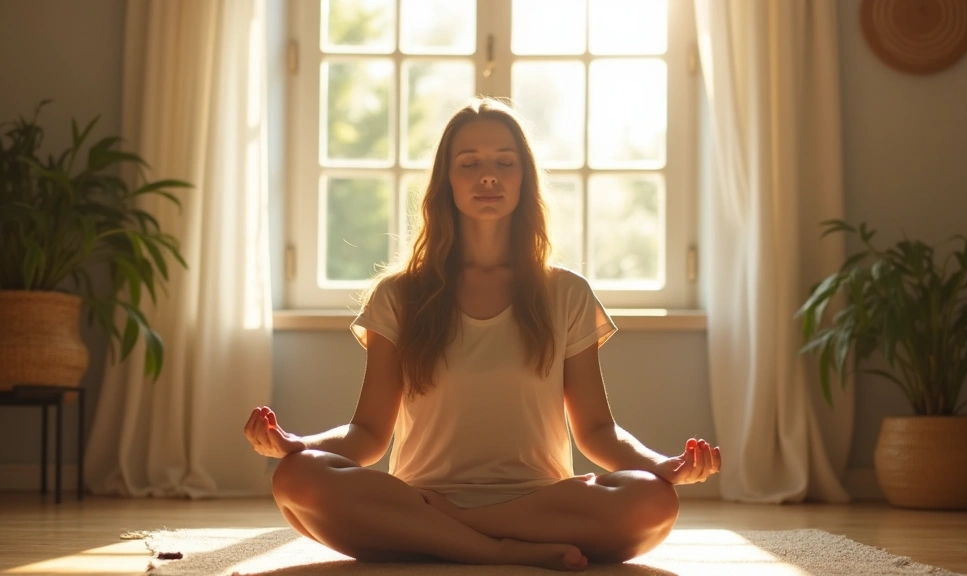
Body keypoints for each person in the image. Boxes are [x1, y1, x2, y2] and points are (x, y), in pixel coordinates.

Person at [243, 97, 722, 572]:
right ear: (446, 182)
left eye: (504, 163)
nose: (487, 176)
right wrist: (297, 445)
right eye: (469, 163)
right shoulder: (398, 295)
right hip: (420, 498)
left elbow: (597, 431)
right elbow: (367, 435)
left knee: (652, 502)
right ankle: (494, 550)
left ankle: (446, 536)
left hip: (540, 505)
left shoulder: (568, 293)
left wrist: (660, 465)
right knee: (297, 478)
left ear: (523, 179)